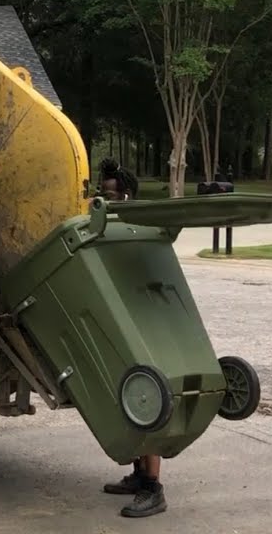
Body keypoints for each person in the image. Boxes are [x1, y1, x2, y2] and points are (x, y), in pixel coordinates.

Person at [97, 159, 166, 517]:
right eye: (102, 193)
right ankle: (139, 475)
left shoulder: (141, 229)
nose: (106, 199)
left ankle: (153, 488)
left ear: (127, 194)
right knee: (130, 402)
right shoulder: (108, 227)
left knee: (147, 402)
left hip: (145, 328)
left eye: (111, 193)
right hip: (122, 326)